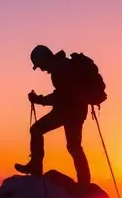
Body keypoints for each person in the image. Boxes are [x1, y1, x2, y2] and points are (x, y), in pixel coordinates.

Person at [16, 45, 92, 185]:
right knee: (74, 146)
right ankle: (84, 182)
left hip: (68, 110)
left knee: (37, 130)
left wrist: (39, 100)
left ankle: (35, 167)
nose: (41, 69)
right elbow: (64, 94)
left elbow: (61, 95)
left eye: (40, 65)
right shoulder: (63, 66)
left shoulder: (59, 69)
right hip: (76, 110)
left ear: (44, 59)